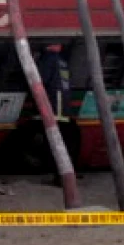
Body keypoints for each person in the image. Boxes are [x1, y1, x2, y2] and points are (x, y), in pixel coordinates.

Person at [37, 42, 82, 177]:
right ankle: (66, 173)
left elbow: (41, 80)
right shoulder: (62, 61)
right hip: (64, 108)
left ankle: (60, 174)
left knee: (56, 142)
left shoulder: (48, 59)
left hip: (55, 107)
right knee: (66, 141)